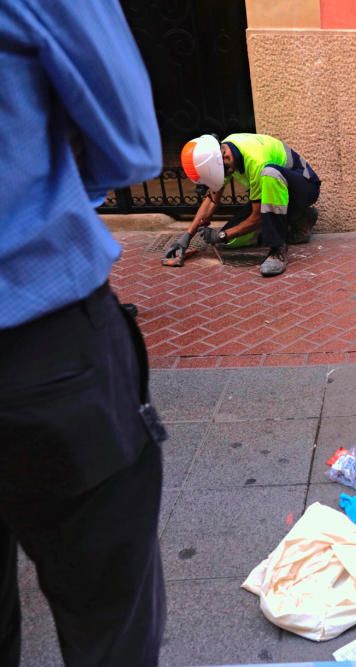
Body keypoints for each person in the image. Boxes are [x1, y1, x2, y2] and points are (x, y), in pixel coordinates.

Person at [0, 1, 167, 665]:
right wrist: (49, 194)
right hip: (40, 352)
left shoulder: (272, 167)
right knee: (111, 628)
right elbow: (130, 145)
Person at [168, 133, 321, 277]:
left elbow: (257, 217)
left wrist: (221, 235)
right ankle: (299, 220)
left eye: (224, 173)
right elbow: (211, 200)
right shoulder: (221, 154)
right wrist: (186, 237)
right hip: (279, 194)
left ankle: (277, 249)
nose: (225, 176)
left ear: (225, 156)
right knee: (232, 240)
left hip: (304, 188)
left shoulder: (256, 161)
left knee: (270, 173)